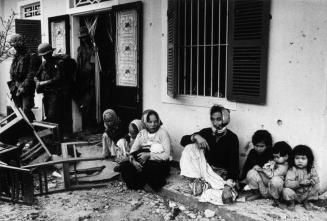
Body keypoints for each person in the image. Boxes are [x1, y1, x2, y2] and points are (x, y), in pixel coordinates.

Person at [179, 105, 239, 198]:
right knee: (190, 147)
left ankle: (205, 185)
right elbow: (183, 141)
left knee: (224, 194)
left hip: (220, 173)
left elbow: (234, 164)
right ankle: (198, 181)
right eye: (213, 119)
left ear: (225, 119)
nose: (215, 123)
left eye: (218, 119)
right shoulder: (206, 132)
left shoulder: (232, 138)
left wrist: (228, 184)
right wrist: (196, 136)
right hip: (205, 169)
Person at [120, 110, 171, 191]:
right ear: (145, 123)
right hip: (143, 161)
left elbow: (166, 155)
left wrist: (149, 155)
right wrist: (134, 162)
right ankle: (137, 185)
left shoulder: (163, 133)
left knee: (149, 168)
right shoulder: (142, 133)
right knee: (124, 166)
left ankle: (146, 182)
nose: (153, 124)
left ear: (158, 121)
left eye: (155, 122)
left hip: (159, 163)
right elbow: (132, 152)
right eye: (150, 122)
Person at [8, 34, 41, 122]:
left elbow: (31, 74)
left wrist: (23, 87)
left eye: (16, 46)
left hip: (27, 88)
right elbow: (13, 72)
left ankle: (34, 130)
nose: (15, 48)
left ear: (21, 44)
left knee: (26, 109)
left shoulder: (32, 56)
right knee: (18, 111)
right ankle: (24, 131)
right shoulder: (16, 57)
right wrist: (14, 86)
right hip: (16, 86)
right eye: (14, 46)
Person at [283, 145, 320, 211]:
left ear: (309, 159)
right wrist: (299, 183)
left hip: (306, 193)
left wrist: (313, 180)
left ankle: (306, 201)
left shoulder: (311, 169)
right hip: (295, 194)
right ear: (293, 158)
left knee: (316, 186)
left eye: (303, 158)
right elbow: (287, 183)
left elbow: (316, 178)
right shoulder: (292, 169)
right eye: (297, 158)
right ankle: (291, 203)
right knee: (286, 191)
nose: (300, 161)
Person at [76, 26, 96, 131]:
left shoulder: (94, 48)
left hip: (93, 79)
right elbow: (79, 65)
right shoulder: (80, 49)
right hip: (83, 80)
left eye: (85, 37)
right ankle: (87, 126)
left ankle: (92, 125)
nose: (84, 39)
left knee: (91, 103)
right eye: (82, 38)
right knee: (85, 104)